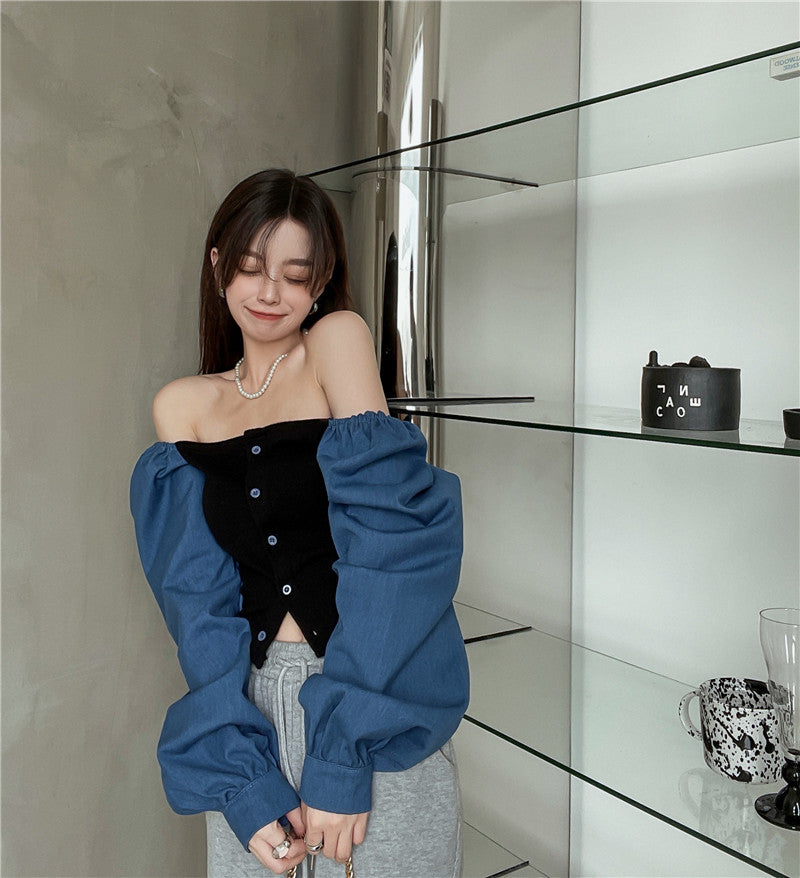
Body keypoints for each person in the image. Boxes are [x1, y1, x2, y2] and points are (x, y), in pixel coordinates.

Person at [130, 169, 470, 878]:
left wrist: (343, 752)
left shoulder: (335, 343)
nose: (269, 292)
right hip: (248, 713)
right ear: (218, 264)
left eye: (294, 274)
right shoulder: (181, 407)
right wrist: (240, 777)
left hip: (374, 696)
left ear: (321, 282)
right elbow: (196, 606)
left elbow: (395, 546)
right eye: (251, 267)